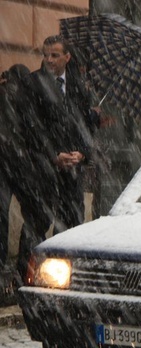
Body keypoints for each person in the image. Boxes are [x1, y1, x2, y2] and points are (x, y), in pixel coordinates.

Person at [30, 35, 98, 233]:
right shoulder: (34, 83)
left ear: (67, 57)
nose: (49, 59)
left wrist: (82, 153)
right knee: (37, 225)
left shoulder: (79, 86)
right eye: (46, 55)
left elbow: (86, 127)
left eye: (55, 55)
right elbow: (32, 128)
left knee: (72, 225)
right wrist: (53, 155)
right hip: (43, 169)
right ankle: (30, 265)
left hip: (72, 172)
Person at [0, 64, 56, 282]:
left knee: (4, 215)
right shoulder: (27, 98)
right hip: (21, 165)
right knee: (35, 214)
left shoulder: (10, 96)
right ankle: (26, 267)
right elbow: (34, 132)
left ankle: (10, 263)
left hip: (11, 165)